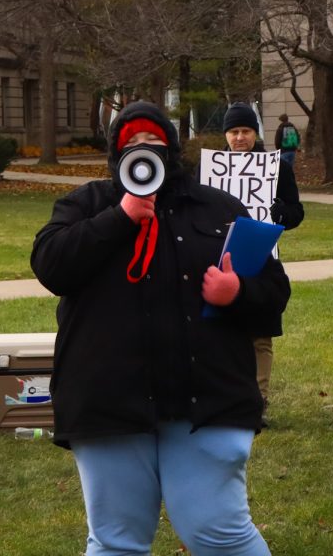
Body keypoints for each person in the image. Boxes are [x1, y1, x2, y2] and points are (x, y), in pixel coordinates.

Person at [31, 101, 290, 556]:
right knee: (116, 542)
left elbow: (273, 290)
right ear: (115, 153)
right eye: (131, 144)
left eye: (152, 142)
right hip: (111, 404)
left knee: (221, 536)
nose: (143, 152)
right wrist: (121, 217)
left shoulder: (218, 208)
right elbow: (51, 266)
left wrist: (238, 292)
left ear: (170, 150)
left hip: (206, 403)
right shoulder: (86, 204)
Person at [223, 103, 304, 427]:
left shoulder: (277, 168)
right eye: (234, 132)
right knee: (224, 333)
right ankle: (229, 399)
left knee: (260, 335)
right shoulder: (214, 167)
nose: (240, 138)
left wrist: (278, 212)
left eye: (245, 131)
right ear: (226, 135)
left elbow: (296, 212)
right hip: (222, 259)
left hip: (262, 259)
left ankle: (258, 403)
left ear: (255, 133)